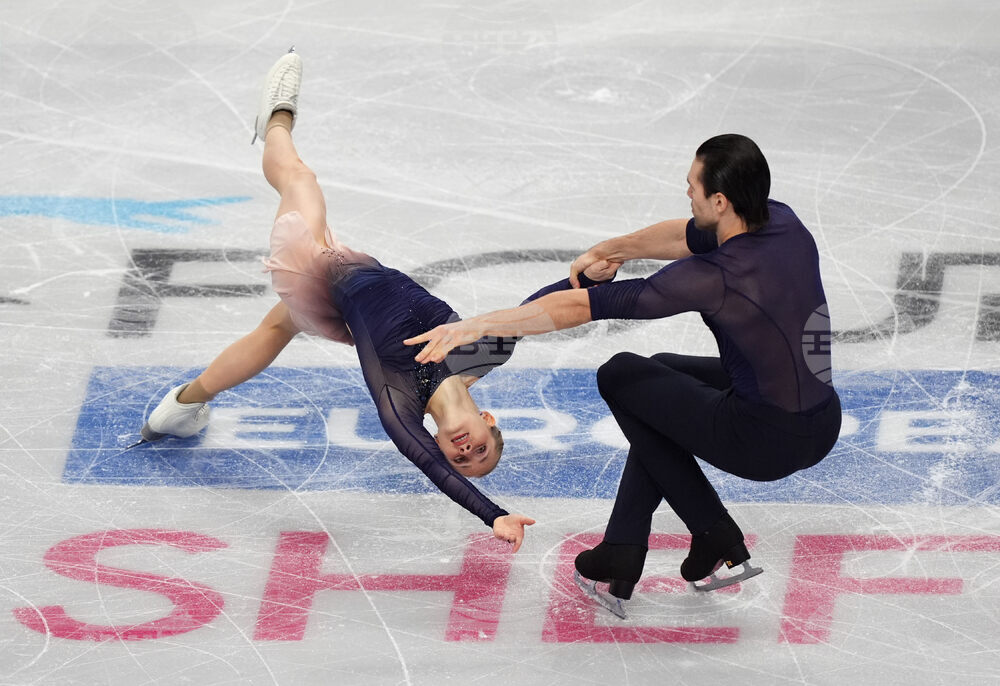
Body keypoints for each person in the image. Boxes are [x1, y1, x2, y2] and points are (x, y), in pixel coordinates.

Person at [139, 49, 606, 552]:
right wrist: (587, 281)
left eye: (464, 462)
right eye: (481, 452)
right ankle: (180, 405)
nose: (467, 455)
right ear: (489, 422)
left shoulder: (399, 399)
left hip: (316, 272)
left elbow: (428, 465)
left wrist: (492, 515)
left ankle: (276, 117)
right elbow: (533, 314)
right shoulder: (482, 354)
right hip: (348, 293)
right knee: (277, 329)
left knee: (300, 180)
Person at [405, 134, 842, 606]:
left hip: (765, 442)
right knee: (660, 375)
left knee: (620, 374)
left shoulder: (717, 277)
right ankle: (631, 546)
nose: (688, 193)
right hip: (823, 418)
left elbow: (580, 306)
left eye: (693, 187)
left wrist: (475, 326)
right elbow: (683, 235)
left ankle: (702, 535)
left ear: (719, 200)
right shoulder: (782, 221)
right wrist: (612, 249)